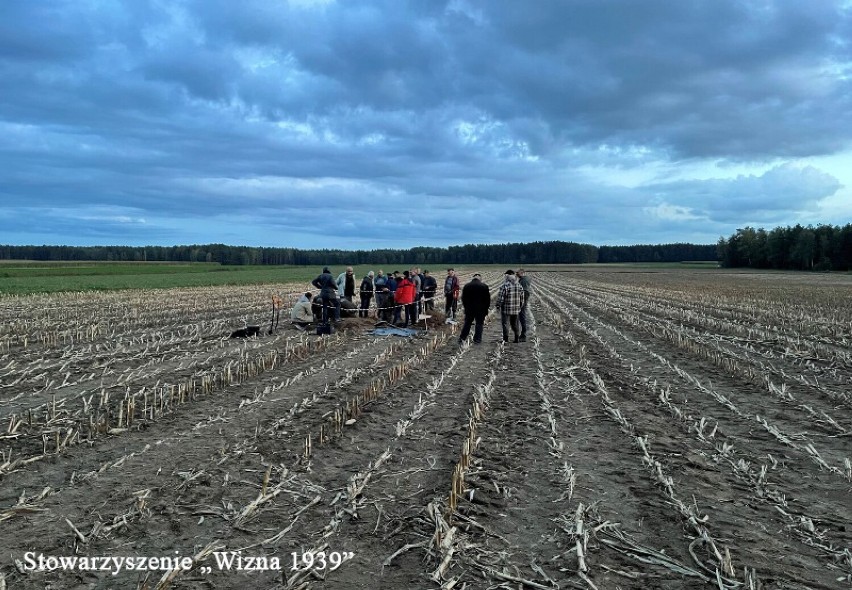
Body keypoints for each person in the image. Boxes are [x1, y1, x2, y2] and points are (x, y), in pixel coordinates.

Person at [459, 273, 490, 345]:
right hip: (480, 309)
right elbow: (487, 300)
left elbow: (463, 298)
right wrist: (486, 309)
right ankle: (477, 340)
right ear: (480, 278)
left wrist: (465, 307)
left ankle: (462, 338)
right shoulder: (484, 286)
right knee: (479, 324)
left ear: (473, 278)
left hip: (469, 309)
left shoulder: (467, 286)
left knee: (467, 323)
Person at [496, 269, 524, 343]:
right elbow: (522, 299)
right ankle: (516, 338)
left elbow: (500, 298)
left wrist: (498, 306)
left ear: (507, 276)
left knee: (505, 324)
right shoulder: (519, 285)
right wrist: (520, 306)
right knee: (515, 324)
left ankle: (506, 339)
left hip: (506, 309)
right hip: (516, 310)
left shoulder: (505, 286)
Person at [517, 268, 532, 342]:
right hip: (524, 298)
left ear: (522, 272)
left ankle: (523, 335)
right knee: (521, 316)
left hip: (523, 298)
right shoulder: (524, 279)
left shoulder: (524, 280)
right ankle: (523, 333)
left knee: (522, 316)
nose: (517, 274)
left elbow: (523, 291)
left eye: (518, 273)